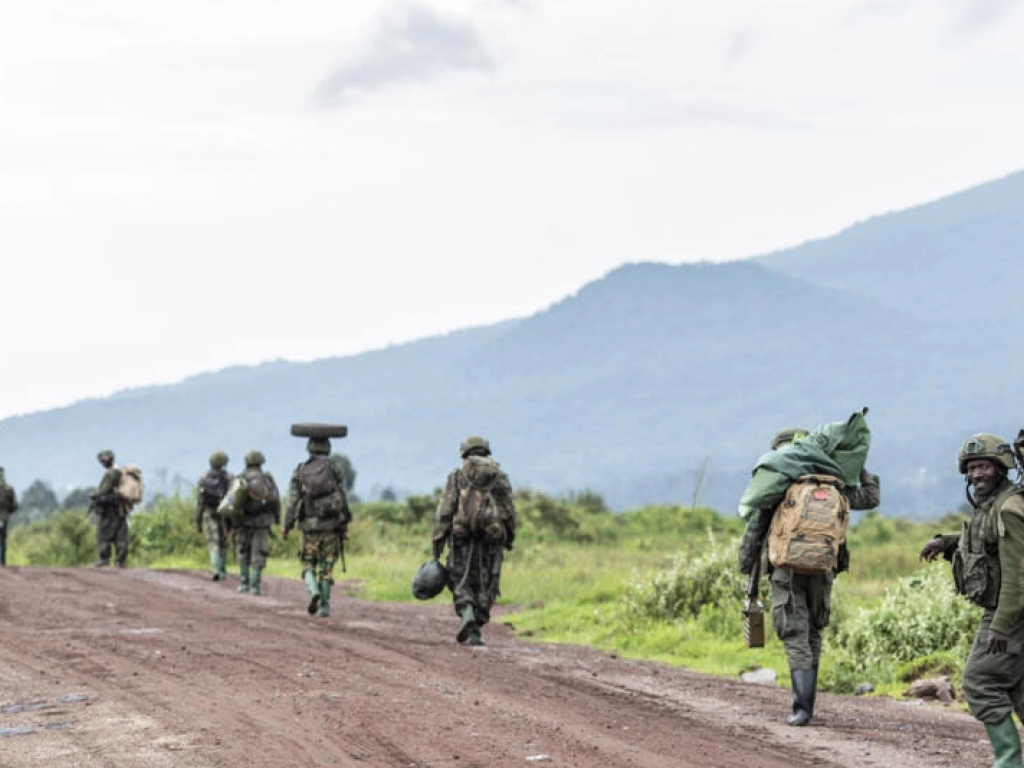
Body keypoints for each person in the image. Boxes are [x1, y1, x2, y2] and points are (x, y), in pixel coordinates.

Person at [738, 426, 880, 726]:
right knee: (814, 630)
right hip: (823, 568)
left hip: (785, 571)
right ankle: (807, 706)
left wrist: (746, 566)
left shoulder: (779, 482)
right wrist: (857, 463)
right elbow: (870, 497)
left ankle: (802, 709)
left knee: (794, 633)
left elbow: (755, 529)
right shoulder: (835, 483)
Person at [920, 433, 1024, 767]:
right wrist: (947, 543)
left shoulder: (1009, 509)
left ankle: (1008, 762)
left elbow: (1018, 574)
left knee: (980, 680)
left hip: (1010, 612)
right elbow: (985, 549)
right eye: (972, 468)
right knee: (1019, 688)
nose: (976, 475)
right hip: (1008, 611)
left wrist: (1001, 625)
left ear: (1001, 468)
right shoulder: (992, 505)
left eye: (983, 467)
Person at [431, 435, 516, 647]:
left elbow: (445, 510)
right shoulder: (500, 476)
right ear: (486, 452)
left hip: (461, 536)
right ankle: (476, 630)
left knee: (460, 577)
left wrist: (438, 542)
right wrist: (509, 538)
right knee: (486, 582)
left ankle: (466, 612)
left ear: (465, 453)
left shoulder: (457, 476)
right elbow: (508, 511)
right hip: (491, 537)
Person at [283, 437, 351, 618]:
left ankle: (313, 591)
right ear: (328, 448)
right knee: (327, 567)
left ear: (309, 449)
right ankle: (324, 607)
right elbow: (343, 497)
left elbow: (291, 502)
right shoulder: (335, 469)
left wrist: (287, 525)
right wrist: (345, 524)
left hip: (309, 528)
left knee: (307, 564)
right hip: (331, 526)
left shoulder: (301, 471)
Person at [233, 450, 281, 596]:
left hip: (243, 522)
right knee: (259, 552)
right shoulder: (267, 479)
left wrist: (233, 523)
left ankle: (243, 583)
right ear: (261, 461)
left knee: (243, 551)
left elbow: (231, 503)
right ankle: (255, 587)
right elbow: (275, 501)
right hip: (263, 522)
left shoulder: (240, 479)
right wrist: (277, 519)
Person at [88, 449, 131, 568]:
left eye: (104, 459)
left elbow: (103, 491)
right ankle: (120, 560)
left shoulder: (110, 474)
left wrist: (94, 496)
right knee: (121, 534)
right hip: (121, 509)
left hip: (110, 510)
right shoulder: (120, 472)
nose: (103, 462)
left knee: (103, 534)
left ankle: (104, 558)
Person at [194, 450, 233, 581]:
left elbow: (199, 502)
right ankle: (222, 571)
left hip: (208, 513)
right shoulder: (229, 478)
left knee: (213, 542)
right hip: (224, 514)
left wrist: (197, 522)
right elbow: (233, 499)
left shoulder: (204, 477)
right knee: (223, 541)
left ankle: (215, 569)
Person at [0, 466, 19, 566]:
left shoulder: (9, 489)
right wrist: (9, 512)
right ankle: (2, 563)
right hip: (4, 517)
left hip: (4, 516)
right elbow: (15, 505)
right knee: (2, 540)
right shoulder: (9, 489)